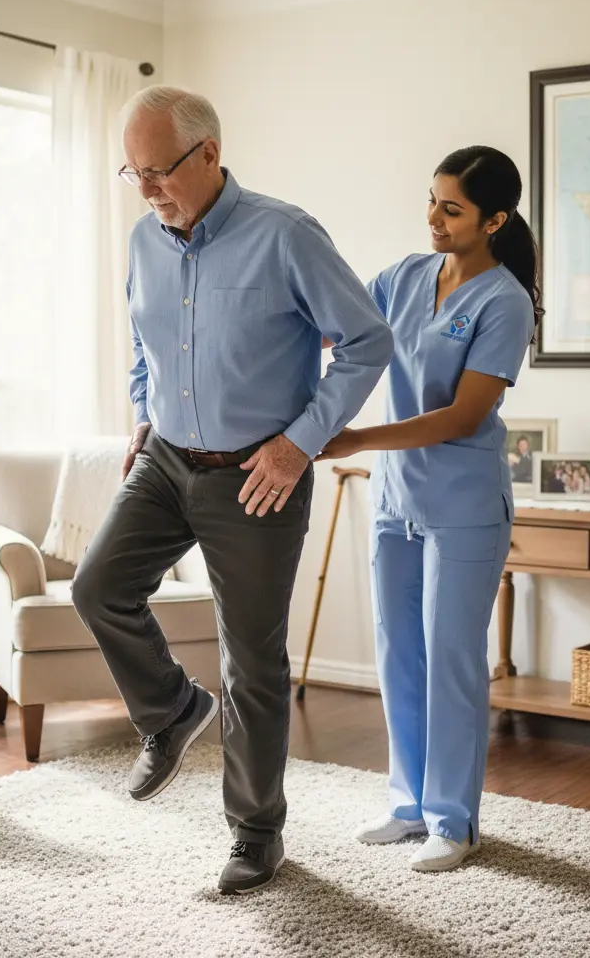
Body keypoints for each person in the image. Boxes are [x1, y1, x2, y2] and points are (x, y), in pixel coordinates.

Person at [70, 86, 393, 895]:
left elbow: (365, 341)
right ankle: (172, 711)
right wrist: (143, 415)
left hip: (257, 474)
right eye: (133, 174)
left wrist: (299, 443)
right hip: (166, 459)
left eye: (159, 171)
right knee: (98, 586)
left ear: (208, 154)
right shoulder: (145, 241)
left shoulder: (285, 234)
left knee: (252, 660)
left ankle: (255, 832)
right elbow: (144, 344)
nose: (147, 191)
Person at [318, 145, 539, 871]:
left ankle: (455, 820)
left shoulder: (504, 301)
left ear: (495, 220)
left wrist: (353, 437)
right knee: (399, 655)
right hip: (396, 500)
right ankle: (408, 806)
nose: (434, 219)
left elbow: (462, 417)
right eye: (432, 201)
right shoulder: (405, 276)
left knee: (451, 661)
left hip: (463, 507)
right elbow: (339, 327)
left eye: (453, 209)